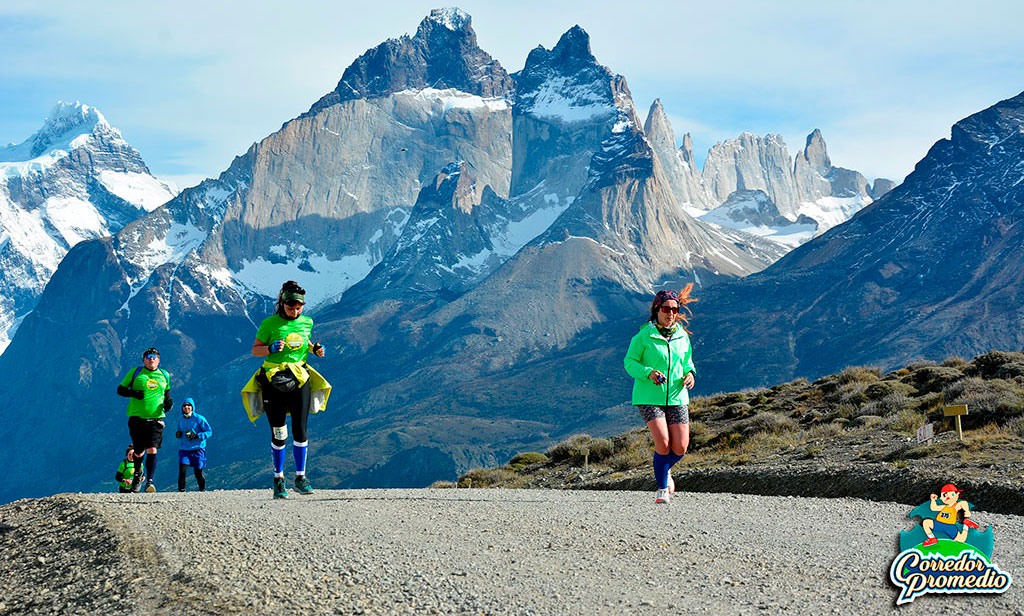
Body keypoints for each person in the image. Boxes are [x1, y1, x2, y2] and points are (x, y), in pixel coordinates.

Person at [242, 281, 332, 499]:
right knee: (279, 431)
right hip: (274, 379)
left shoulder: (307, 322)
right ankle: (278, 478)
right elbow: (255, 350)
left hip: (300, 377)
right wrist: (269, 349)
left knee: (300, 429)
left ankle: (301, 478)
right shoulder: (269, 324)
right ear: (282, 304)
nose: (295, 312)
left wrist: (315, 349)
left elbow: (304, 341)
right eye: (291, 308)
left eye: (298, 308)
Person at [623, 286, 698, 504]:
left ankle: (665, 469)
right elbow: (630, 363)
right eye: (666, 308)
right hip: (649, 397)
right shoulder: (643, 336)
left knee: (681, 446)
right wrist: (648, 373)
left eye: (675, 309)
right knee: (663, 444)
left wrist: (690, 374)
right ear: (657, 309)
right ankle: (662, 489)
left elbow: (687, 362)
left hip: (677, 396)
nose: (671, 313)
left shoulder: (682, 336)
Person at [116, 347, 172, 492]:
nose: (151, 358)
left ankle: (150, 482)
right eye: (148, 356)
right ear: (143, 360)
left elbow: (167, 395)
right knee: (139, 451)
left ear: (158, 360)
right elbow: (120, 390)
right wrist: (133, 393)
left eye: (154, 356)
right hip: (136, 417)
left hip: (156, 418)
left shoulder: (164, 375)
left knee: (152, 449)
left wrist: (169, 403)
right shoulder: (136, 373)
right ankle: (137, 473)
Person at [175, 398, 212, 492]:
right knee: (182, 471)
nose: (186, 407)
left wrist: (197, 436)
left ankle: (202, 490)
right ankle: (181, 491)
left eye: (189, 405)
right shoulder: (180, 419)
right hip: (184, 450)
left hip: (198, 449)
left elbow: (209, 432)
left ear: (192, 407)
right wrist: (178, 434)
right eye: (184, 405)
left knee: (198, 473)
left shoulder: (199, 418)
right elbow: (179, 430)